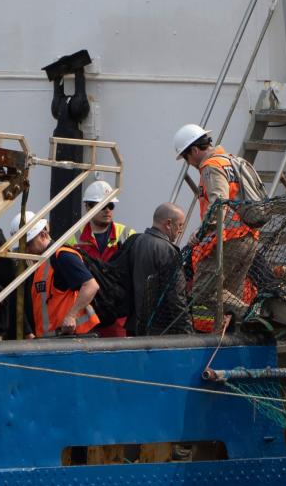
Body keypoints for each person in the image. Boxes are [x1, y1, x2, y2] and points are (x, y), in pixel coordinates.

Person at [173, 124, 259, 333]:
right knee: (229, 294)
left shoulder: (211, 166)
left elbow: (218, 203)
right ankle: (230, 335)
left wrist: (201, 232)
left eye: (186, 157)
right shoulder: (233, 161)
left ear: (193, 150)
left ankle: (254, 314)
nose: (189, 163)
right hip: (249, 238)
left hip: (228, 239)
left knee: (203, 291)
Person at [10, 213, 100, 337]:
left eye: (28, 244)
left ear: (43, 235)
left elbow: (91, 286)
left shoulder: (62, 256)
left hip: (75, 336)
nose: (26, 249)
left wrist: (71, 316)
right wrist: (28, 332)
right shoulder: (39, 263)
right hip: (54, 338)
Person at [67, 179, 135, 337]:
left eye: (111, 206)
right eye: (102, 206)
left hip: (118, 315)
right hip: (87, 314)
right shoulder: (73, 239)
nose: (108, 210)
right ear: (87, 207)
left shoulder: (126, 234)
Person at [125, 202, 193, 336]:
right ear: (168, 224)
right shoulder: (168, 250)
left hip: (133, 326)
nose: (181, 230)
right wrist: (188, 332)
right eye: (180, 225)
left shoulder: (135, 241)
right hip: (159, 331)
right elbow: (177, 296)